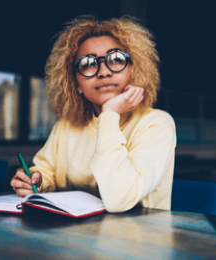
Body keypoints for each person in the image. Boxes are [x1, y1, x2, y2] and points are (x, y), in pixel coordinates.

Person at [10, 15, 176, 213]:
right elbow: (46, 171)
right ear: (76, 82)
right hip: (73, 236)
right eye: (88, 63)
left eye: (116, 59)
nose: (103, 72)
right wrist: (36, 180)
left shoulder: (156, 123)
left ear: (133, 69)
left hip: (138, 239)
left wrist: (110, 113)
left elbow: (119, 199)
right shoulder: (67, 125)